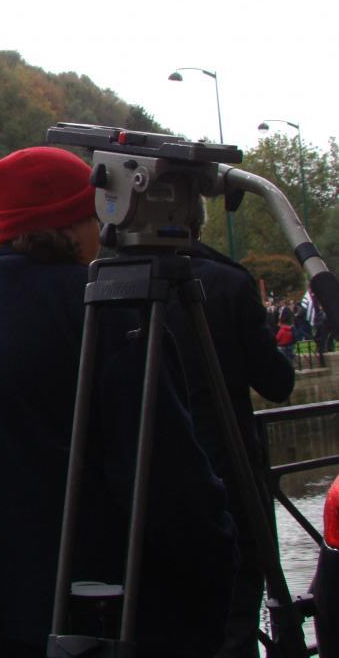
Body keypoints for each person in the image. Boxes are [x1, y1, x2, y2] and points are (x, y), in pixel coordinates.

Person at [0, 146, 236, 658]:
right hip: (98, 614)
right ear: (75, 220)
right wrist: (217, 554)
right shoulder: (105, 306)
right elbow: (163, 480)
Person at [166, 234, 295, 658]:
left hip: (146, 482)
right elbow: (276, 383)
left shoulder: (110, 282)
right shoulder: (226, 283)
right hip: (228, 469)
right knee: (236, 610)